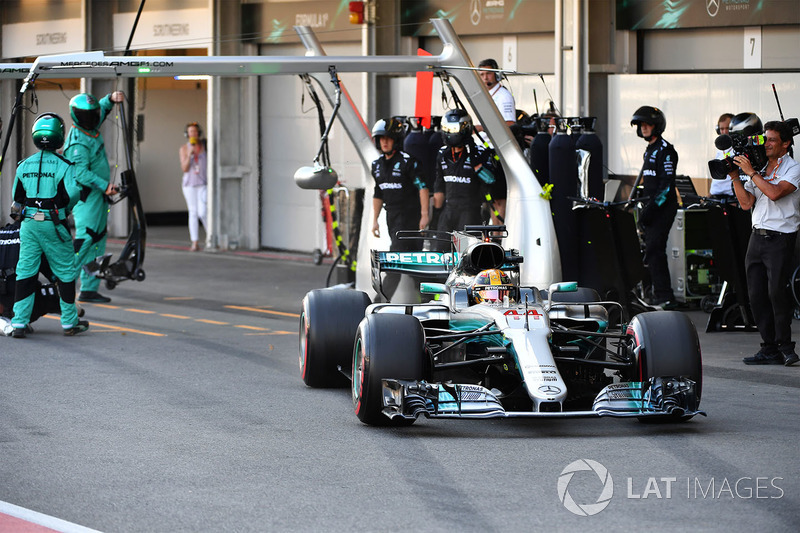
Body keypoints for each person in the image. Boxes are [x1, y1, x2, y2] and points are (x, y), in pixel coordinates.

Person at [9, 113, 88, 338]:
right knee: (65, 271)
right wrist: (63, 209)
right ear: (59, 136)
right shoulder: (65, 165)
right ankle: (69, 323)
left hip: (29, 224)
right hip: (53, 223)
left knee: (25, 272)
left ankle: (19, 323)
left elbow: (17, 198)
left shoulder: (24, 165)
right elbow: (73, 193)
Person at [730, 120, 800, 366]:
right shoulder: (760, 167)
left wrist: (751, 173)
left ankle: (786, 347)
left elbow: (774, 193)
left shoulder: (794, 168)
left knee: (777, 294)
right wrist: (735, 178)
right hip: (756, 237)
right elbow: (747, 203)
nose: (766, 144)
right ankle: (769, 347)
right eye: (765, 139)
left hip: (781, 238)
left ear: (785, 143)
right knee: (757, 295)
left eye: (771, 140)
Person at [63, 91, 124, 303]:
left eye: (94, 113)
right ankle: (63, 283)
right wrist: (105, 185)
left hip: (98, 196)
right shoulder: (77, 142)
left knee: (98, 240)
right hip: (86, 197)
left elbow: (102, 112)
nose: (93, 117)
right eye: (88, 115)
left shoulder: (90, 129)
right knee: (86, 238)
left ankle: (89, 289)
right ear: (78, 116)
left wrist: (110, 99)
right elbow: (80, 173)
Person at [630, 105, 679, 307]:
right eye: (641, 125)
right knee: (649, 251)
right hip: (649, 209)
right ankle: (654, 292)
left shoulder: (666, 151)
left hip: (662, 209)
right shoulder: (649, 150)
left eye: (647, 124)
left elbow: (666, 186)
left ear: (656, 126)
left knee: (655, 250)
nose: (644, 128)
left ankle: (665, 296)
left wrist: (651, 209)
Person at [370, 117, 429, 251]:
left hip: (409, 215)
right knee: (408, 258)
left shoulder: (408, 162)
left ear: (396, 140)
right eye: (381, 138)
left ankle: (391, 273)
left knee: (397, 253)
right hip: (391, 215)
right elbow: (378, 193)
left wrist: (425, 215)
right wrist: (375, 220)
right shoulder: (376, 165)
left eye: (388, 138)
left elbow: (423, 188)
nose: (384, 142)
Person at [434, 109, 495, 234]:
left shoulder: (479, 152)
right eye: (448, 128)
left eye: (454, 129)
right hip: (448, 211)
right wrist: (434, 213)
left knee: (467, 251)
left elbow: (490, 179)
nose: (451, 133)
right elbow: (439, 184)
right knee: (440, 250)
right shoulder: (442, 154)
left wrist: (475, 161)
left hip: (471, 212)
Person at [474, 58, 515, 226]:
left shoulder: (503, 96)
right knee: (487, 196)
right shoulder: (485, 96)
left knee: (497, 197)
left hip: (497, 152)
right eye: (482, 74)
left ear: (496, 74)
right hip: (484, 150)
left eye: (488, 74)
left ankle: (498, 234)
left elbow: (510, 123)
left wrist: (481, 127)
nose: (485, 78)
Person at [179, 121, 208, 252]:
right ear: (187, 134)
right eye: (191, 132)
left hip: (203, 183)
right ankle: (195, 242)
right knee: (193, 212)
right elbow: (184, 169)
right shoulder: (184, 148)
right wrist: (190, 154)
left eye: (195, 132)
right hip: (189, 184)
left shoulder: (205, 145)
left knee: (203, 211)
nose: (193, 134)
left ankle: (210, 238)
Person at [709, 113, 735, 198]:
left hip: (730, 197)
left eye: (727, 128)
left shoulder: (737, 149)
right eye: (721, 129)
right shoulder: (720, 149)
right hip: (715, 196)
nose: (724, 132)